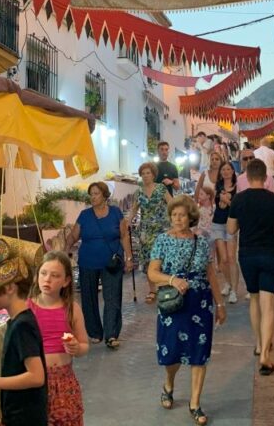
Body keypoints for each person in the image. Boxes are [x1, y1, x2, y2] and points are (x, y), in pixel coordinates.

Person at [147, 195, 227, 426]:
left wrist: (220, 304)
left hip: (200, 303)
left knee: (198, 353)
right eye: (174, 215)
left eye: (182, 215)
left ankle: (195, 403)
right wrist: (172, 280)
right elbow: (153, 272)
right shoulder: (162, 240)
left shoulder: (202, 241)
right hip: (173, 302)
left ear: (190, 216)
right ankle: (169, 383)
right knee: (172, 352)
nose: (178, 219)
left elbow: (211, 274)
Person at [227, 159, 274, 377]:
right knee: (268, 303)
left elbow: (231, 229)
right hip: (270, 253)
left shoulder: (239, 200)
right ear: (265, 177)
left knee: (254, 299)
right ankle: (265, 354)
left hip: (247, 255)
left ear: (247, 176)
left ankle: (258, 344)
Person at [0, 272, 48, 426]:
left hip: (25, 418)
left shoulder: (22, 326)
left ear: (9, 287)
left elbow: (36, 376)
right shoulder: (16, 322)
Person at [66, 182, 133, 349]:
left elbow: (124, 235)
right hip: (88, 261)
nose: (93, 197)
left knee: (112, 297)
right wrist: (65, 251)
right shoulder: (84, 215)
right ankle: (95, 332)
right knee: (88, 297)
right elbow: (74, 235)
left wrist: (129, 257)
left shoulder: (116, 213)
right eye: (91, 194)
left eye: (96, 193)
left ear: (104, 195)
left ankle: (111, 335)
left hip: (111, 261)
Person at [29, 251, 90, 426]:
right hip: (36, 381)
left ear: (66, 281)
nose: (47, 279)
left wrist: (77, 348)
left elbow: (85, 344)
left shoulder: (72, 308)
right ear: (36, 276)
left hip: (64, 382)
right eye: (43, 273)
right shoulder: (28, 308)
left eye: (55, 276)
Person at [129, 162, 169, 305]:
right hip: (145, 231)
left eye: (148, 173)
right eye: (143, 173)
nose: (146, 176)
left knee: (161, 260)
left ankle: (164, 287)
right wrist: (127, 221)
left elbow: (171, 204)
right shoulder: (139, 192)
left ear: (153, 174)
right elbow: (134, 209)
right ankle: (152, 290)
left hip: (161, 229)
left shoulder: (161, 188)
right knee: (148, 261)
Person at [209, 161, 238, 306]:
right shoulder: (218, 186)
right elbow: (218, 204)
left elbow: (237, 207)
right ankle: (227, 283)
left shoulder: (237, 188)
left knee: (232, 257)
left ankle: (234, 289)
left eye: (228, 169)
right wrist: (223, 200)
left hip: (231, 224)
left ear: (233, 171)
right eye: (223, 169)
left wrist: (227, 200)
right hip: (217, 223)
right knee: (224, 259)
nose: (226, 172)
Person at [193, 151, 221, 235]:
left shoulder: (223, 175)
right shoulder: (204, 173)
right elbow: (197, 190)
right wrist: (195, 206)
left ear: (220, 160)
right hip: (204, 209)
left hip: (218, 209)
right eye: (212, 159)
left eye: (217, 159)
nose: (214, 161)